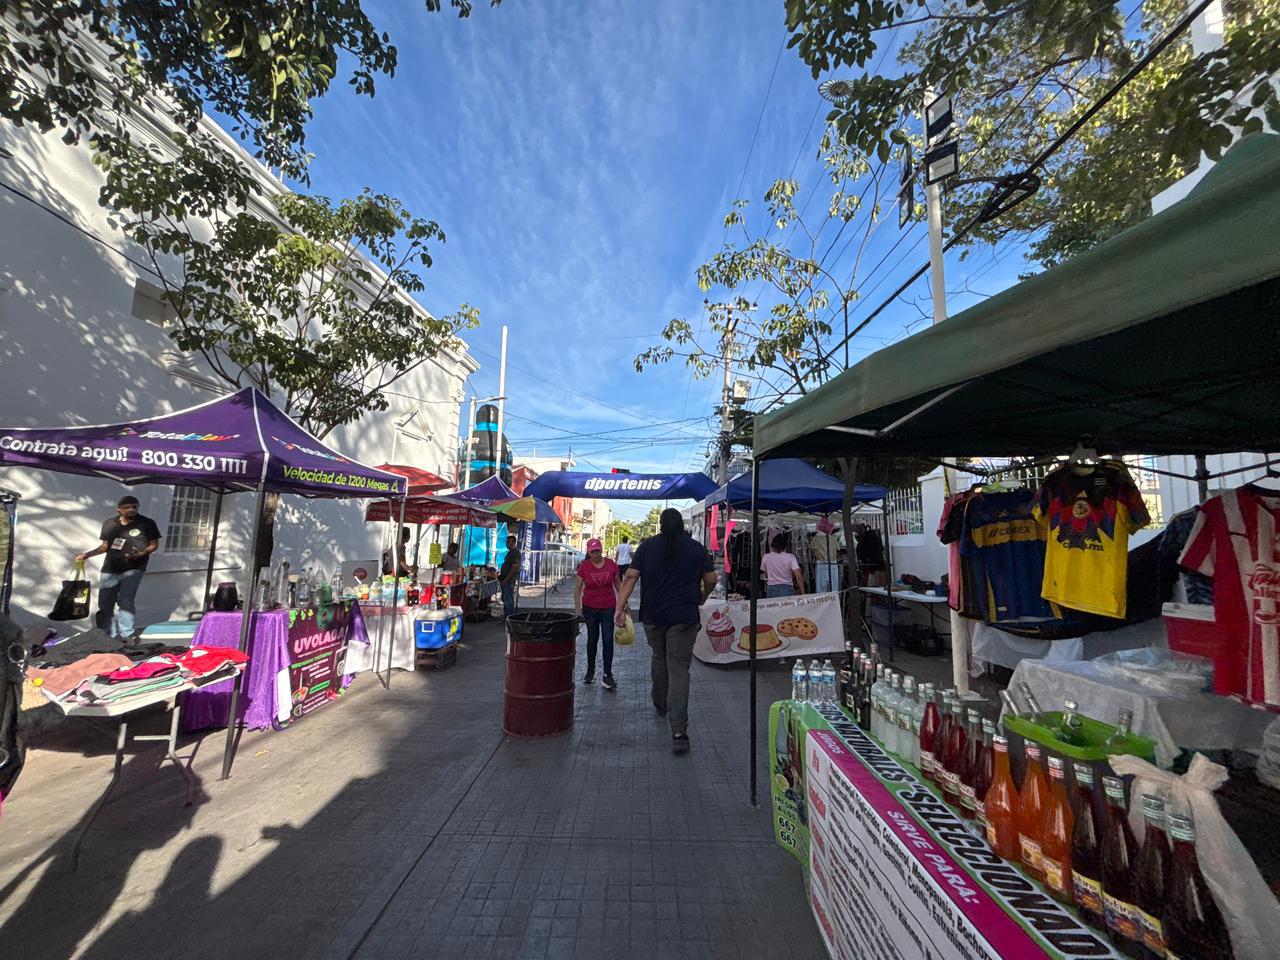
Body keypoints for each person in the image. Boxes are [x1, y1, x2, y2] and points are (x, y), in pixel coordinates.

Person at [615, 509, 717, 755]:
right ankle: (679, 732)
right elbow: (712, 578)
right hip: (684, 617)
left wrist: (619, 607)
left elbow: (630, 577)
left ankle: (660, 701)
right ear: (682, 525)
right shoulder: (695, 548)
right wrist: (702, 596)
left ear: (660, 525)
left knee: (659, 658)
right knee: (679, 669)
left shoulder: (647, 547)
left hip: (653, 616)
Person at [74, 495, 162, 640]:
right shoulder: (109, 523)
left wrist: (142, 553)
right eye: (127, 507)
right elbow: (105, 546)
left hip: (134, 568)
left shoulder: (147, 523)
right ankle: (105, 635)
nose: (131, 509)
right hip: (110, 568)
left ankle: (127, 635)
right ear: (118, 509)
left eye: (134, 506)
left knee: (125, 600)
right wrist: (87, 554)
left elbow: (154, 545)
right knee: (105, 602)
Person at [575, 537, 620, 689]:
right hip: (590, 607)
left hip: (608, 606)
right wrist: (577, 609)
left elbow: (618, 583)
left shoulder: (610, 564)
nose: (596, 554)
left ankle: (607, 674)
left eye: (598, 550)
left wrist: (623, 602)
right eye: (593, 551)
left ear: (602, 549)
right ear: (589, 552)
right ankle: (590, 670)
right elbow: (578, 588)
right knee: (592, 639)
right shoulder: (584, 566)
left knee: (608, 639)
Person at [809, 522, 842, 594]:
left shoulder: (815, 539)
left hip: (821, 563)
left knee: (821, 588)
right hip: (832, 563)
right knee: (834, 587)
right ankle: (834, 602)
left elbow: (812, 551)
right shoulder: (833, 538)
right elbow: (838, 550)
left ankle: (822, 603)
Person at [498, 534, 521, 617]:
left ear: (513, 543)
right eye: (507, 542)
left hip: (509, 581)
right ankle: (506, 617)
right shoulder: (510, 552)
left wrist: (506, 580)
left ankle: (509, 618)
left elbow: (514, 568)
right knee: (505, 599)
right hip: (505, 579)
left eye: (508, 542)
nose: (507, 544)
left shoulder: (515, 553)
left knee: (508, 600)